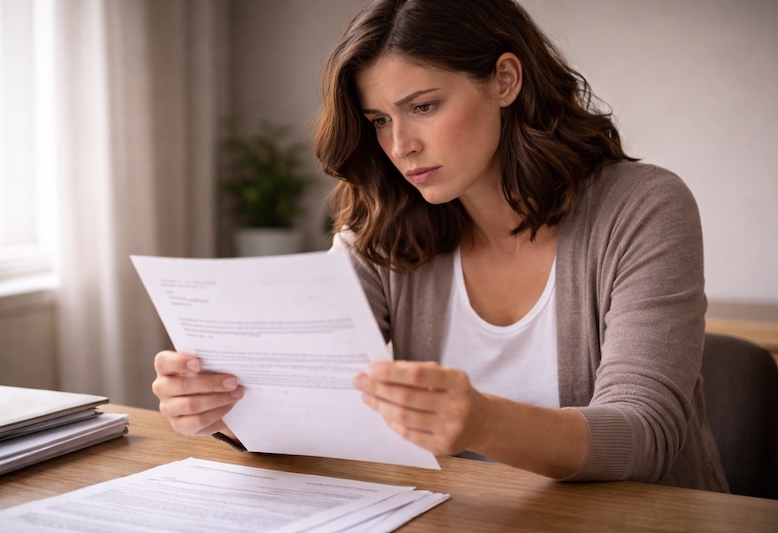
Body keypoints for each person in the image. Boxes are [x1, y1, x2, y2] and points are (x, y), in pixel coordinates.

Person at [152, 0, 729, 492]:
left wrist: (483, 423)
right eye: (379, 120)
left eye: (423, 107)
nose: (400, 146)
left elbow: (644, 432)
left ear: (505, 80)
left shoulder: (644, 207)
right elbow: (308, 399)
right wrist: (227, 408)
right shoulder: (382, 224)